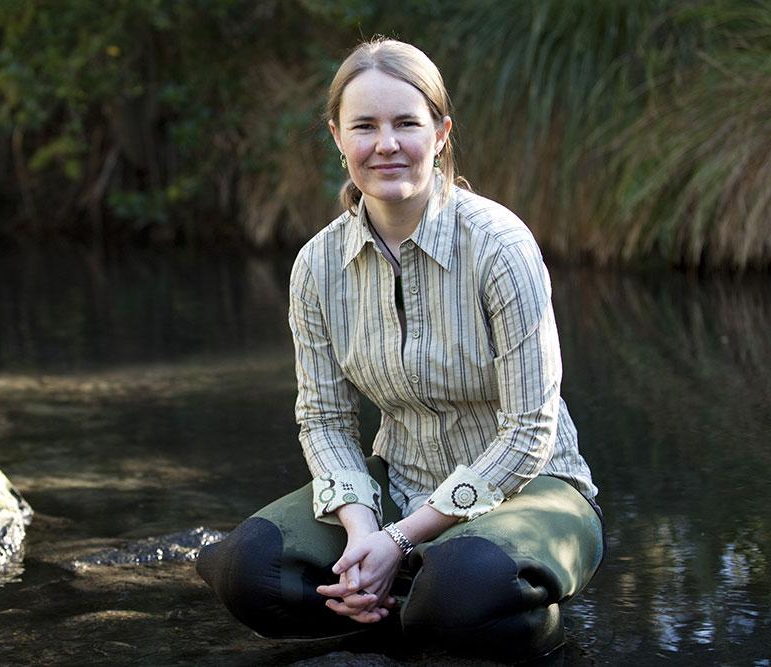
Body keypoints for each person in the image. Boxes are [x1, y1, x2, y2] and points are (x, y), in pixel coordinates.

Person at [197, 38, 604, 663]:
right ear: (338, 136)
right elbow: (325, 419)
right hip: (399, 482)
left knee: (463, 588)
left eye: (405, 123)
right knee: (248, 570)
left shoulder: (500, 246)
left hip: (534, 488)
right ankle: (402, 597)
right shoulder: (318, 266)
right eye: (365, 126)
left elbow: (530, 431)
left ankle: (474, 602)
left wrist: (400, 541)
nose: (386, 144)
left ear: (440, 132)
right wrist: (363, 533)